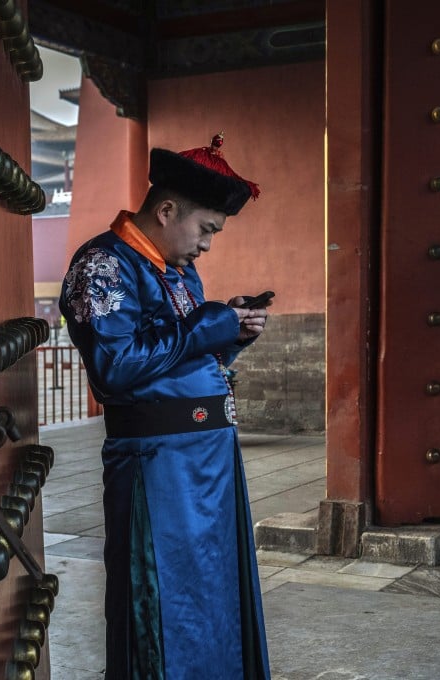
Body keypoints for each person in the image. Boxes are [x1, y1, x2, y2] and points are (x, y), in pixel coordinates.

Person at [60, 134, 270, 679]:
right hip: (157, 465)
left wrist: (231, 334)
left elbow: (179, 353)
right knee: (160, 599)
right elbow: (117, 367)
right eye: (206, 230)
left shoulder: (178, 270)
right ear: (167, 209)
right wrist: (207, 325)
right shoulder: (102, 265)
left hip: (207, 461)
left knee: (213, 593)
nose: (207, 246)